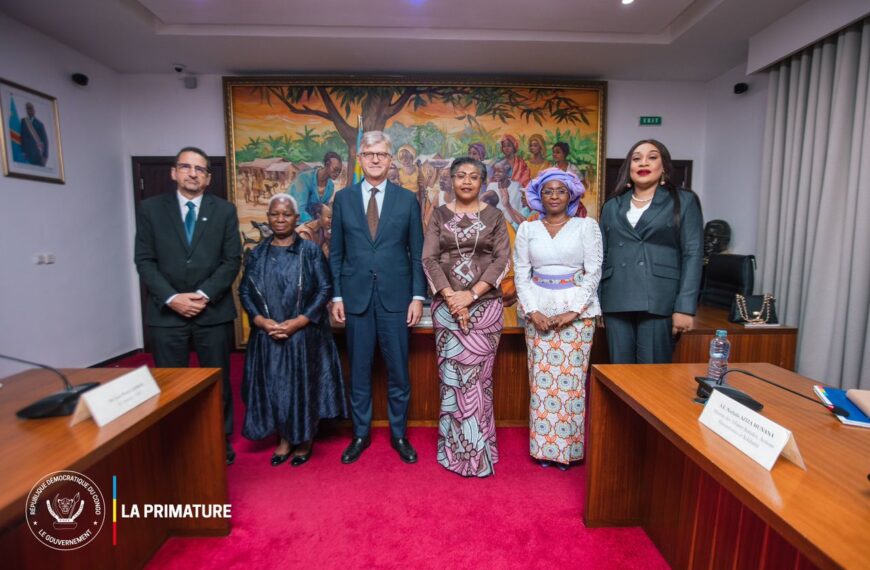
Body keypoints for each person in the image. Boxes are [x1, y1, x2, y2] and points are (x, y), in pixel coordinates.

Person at [134, 146, 241, 465]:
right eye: (186, 167)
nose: (193, 173)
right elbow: (145, 260)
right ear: (174, 172)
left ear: (208, 178)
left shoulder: (224, 211)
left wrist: (203, 295)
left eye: (200, 169)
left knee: (217, 381)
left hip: (213, 312)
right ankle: (178, 442)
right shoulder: (150, 209)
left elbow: (231, 260)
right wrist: (172, 298)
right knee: (171, 382)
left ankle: (219, 439)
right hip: (167, 313)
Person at [329, 131, 426, 464]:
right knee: (359, 371)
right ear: (360, 158)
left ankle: (399, 435)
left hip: (396, 299)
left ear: (390, 160)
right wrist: (337, 296)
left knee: (398, 370)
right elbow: (336, 253)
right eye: (368, 153)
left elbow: (416, 253)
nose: (374, 159)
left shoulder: (406, 199)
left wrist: (417, 296)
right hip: (355, 299)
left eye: (381, 155)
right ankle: (360, 434)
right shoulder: (343, 199)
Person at [239, 195, 346, 467]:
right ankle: (284, 439)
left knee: (302, 388)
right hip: (269, 334)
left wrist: (299, 321)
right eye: (275, 214)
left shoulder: (309, 251)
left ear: (296, 218)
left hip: (303, 335)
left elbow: (324, 288)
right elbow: (245, 291)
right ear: (268, 217)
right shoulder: (258, 254)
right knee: (276, 387)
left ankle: (305, 439)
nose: (280, 219)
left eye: (286, 214)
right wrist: (261, 321)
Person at [422, 157, 510, 477]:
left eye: (474, 176)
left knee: (478, 381)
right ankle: (453, 452)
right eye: (461, 176)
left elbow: (501, 260)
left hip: (485, 310)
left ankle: (480, 449)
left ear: (483, 182)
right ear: (452, 180)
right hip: (446, 311)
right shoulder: (439, 215)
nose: (467, 181)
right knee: (452, 381)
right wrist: (451, 297)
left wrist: (470, 296)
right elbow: (429, 258)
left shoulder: (496, 217)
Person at [514, 167, 602, 469]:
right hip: (538, 312)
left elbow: (594, 273)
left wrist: (573, 311)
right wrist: (532, 311)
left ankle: (569, 452)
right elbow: (521, 275)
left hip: (577, 314)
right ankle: (543, 450)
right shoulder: (527, 230)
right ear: (539, 196)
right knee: (541, 383)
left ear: (571, 195)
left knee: (571, 383)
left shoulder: (586, 227)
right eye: (548, 191)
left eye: (560, 190)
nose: (553, 195)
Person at [599, 139, 703, 363]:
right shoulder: (611, 206)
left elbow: (692, 254)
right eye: (636, 159)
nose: (643, 163)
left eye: (652, 157)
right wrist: (598, 303)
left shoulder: (683, 201)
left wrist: (685, 308)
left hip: (659, 299)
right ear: (629, 167)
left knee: (652, 376)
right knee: (620, 375)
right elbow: (603, 256)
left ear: (664, 165)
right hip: (616, 298)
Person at [288, 151, 343, 223]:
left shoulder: (330, 187)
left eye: (339, 171)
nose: (337, 173)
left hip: (312, 224)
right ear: (327, 164)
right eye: (335, 169)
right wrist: (315, 223)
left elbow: (322, 210)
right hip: (293, 221)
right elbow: (299, 210)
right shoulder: (304, 179)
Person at [487, 160, 525, 228]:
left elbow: (520, 210)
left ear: (508, 173)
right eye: (495, 171)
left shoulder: (516, 186)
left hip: (514, 225)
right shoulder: (491, 187)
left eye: (499, 171)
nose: (496, 174)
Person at [20, 102, 49, 166]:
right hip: (26, 154)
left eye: (31, 109)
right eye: (28, 109)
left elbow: (45, 141)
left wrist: (45, 155)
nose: (29, 111)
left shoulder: (39, 124)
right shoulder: (23, 121)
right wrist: (22, 151)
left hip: (37, 154)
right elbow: (21, 137)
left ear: (34, 110)